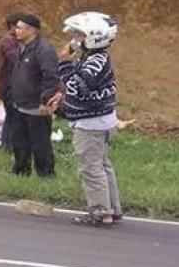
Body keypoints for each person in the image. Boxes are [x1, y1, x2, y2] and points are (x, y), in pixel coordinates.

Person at [54, 12, 123, 227]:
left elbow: (80, 87)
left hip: (91, 124)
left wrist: (64, 64)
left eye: (79, 35)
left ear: (94, 37)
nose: (75, 40)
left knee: (91, 168)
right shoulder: (95, 58)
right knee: (102, 165)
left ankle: (101, 212)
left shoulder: (95, 62)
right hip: (101, 120)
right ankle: (112, 208)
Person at [10, 14, 60, 177]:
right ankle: (21, 172)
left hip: (36, 107)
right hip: (20, 105)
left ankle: (46, 175)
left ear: (30, 30)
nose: (15, 31)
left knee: (40, 144)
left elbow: (51, 76)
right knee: (20, 143)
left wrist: (45, 100)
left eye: (19, 28)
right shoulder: (22, 46)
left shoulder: (43, 49)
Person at [0, 13, 25, 151]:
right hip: (9, 86)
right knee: (13, 116)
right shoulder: (9, 41)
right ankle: (8, 146)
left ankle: (7, 145)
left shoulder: (16, 41)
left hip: (12, 86)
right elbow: (16, 60)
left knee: (12, 117)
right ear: (12, 26)